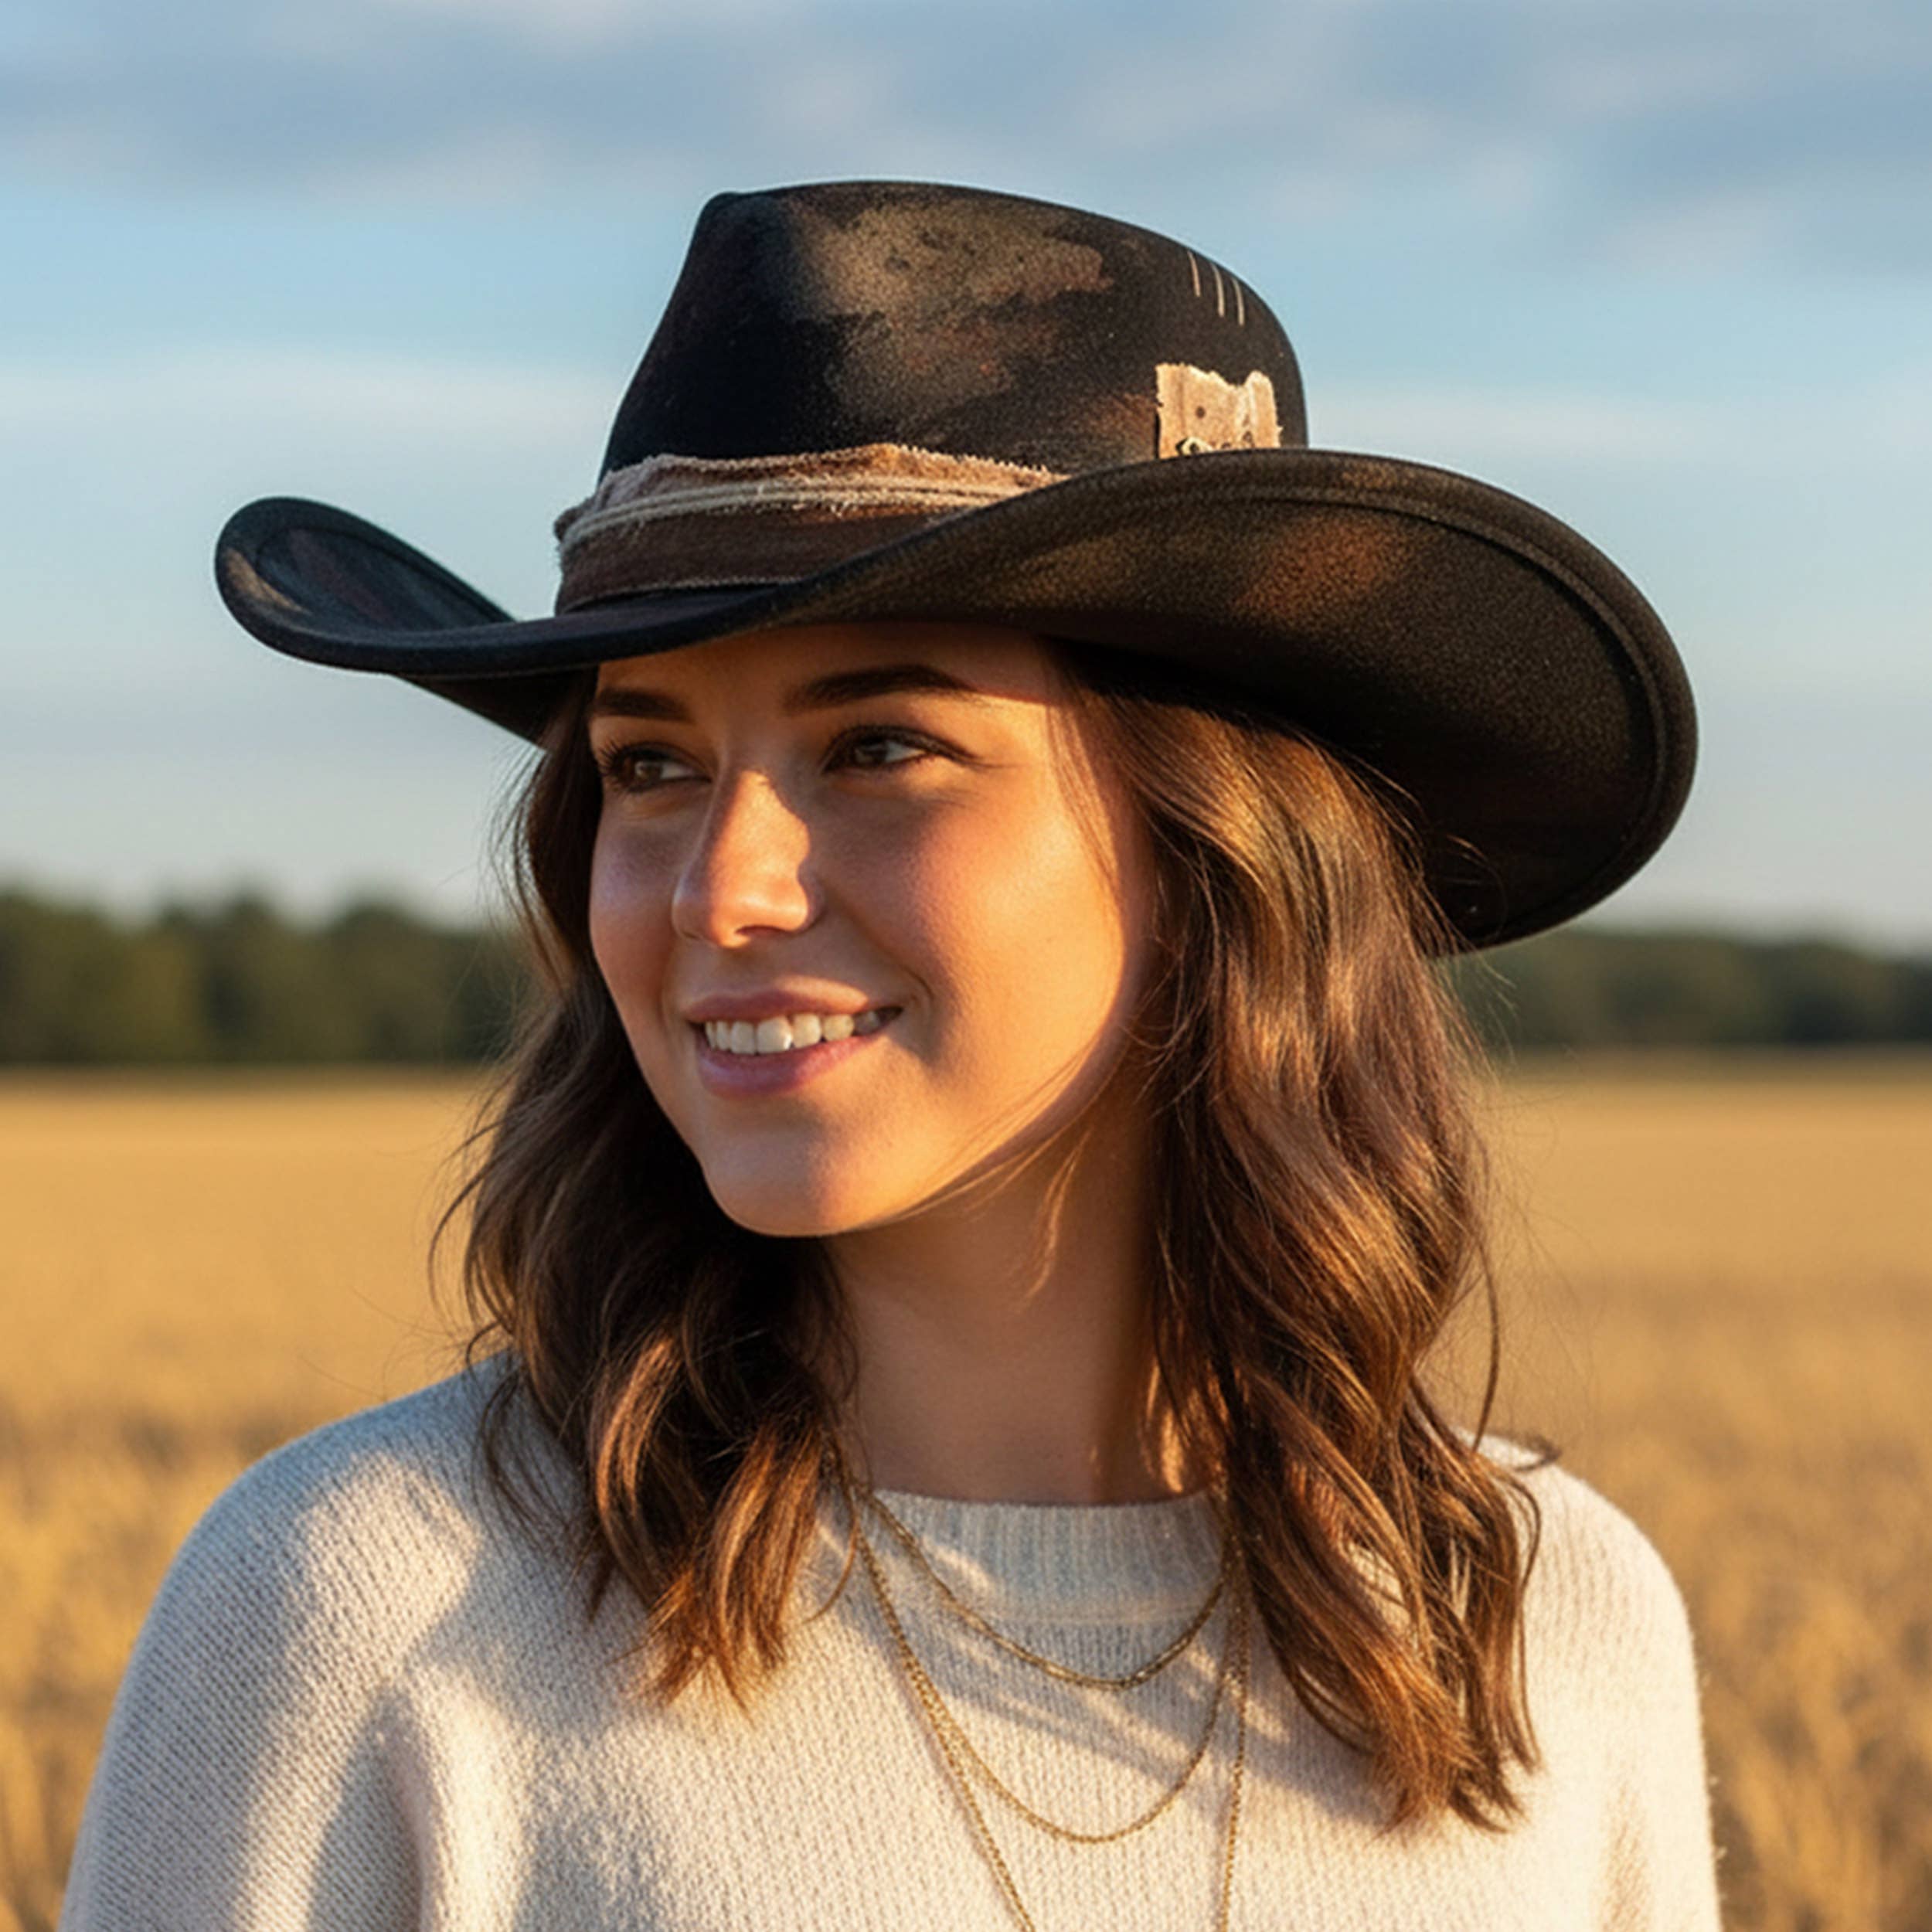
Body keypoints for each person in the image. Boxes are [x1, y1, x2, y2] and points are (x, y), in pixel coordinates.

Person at [60, 180, 1723, 1930]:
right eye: (647, 763)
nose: (724, 885)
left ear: (1213, 845)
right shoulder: (361, 1617)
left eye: (876, 743)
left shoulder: (1544, 1622)